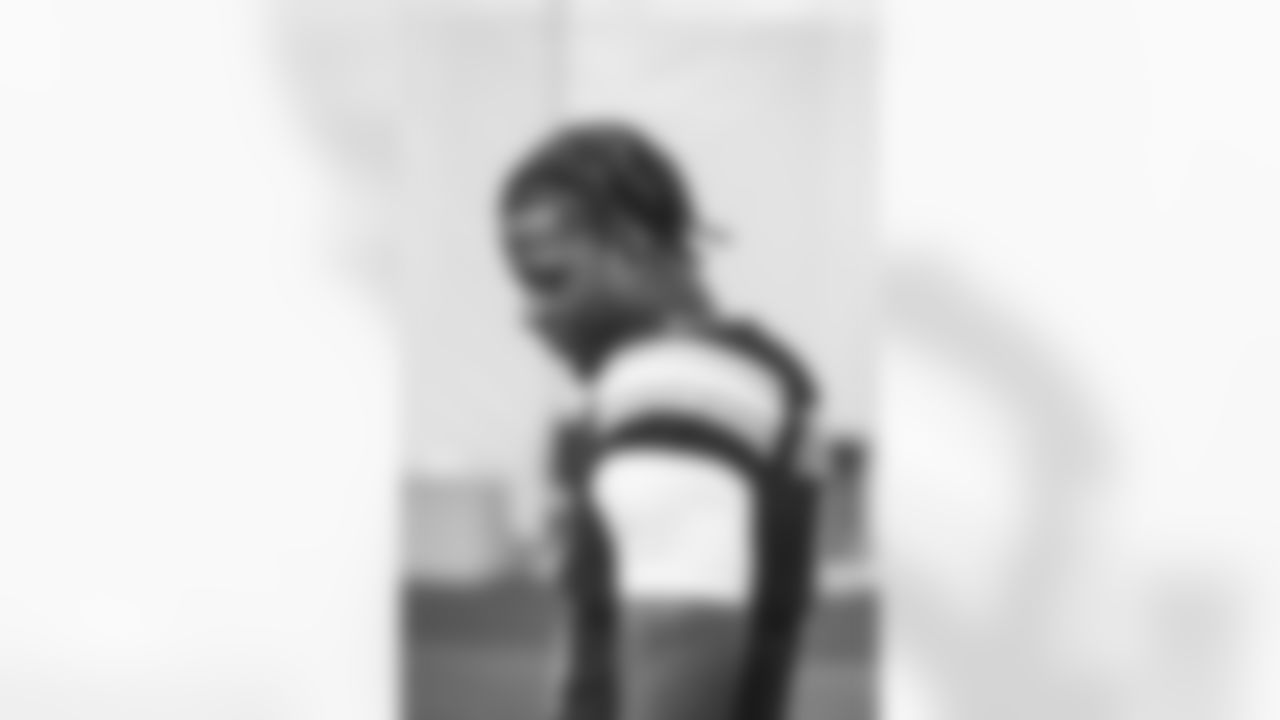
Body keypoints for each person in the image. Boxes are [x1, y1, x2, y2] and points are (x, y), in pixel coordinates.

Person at [499, 120, 823, 720]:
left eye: (550, 278)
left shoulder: (674, 382)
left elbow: (680, 622)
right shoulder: (746, 370)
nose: (533, 314)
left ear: (633, 243)